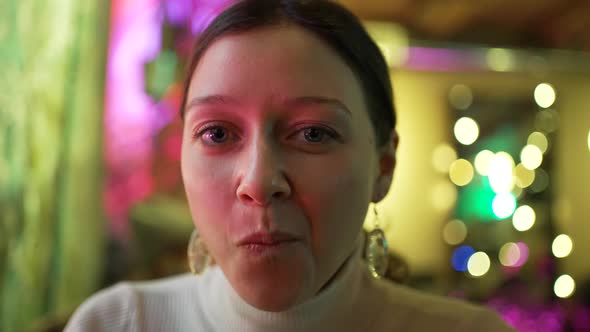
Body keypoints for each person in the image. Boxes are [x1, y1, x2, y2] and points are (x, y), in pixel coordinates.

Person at [65, 0, 515, 331]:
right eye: (217, 134)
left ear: (383, 166)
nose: (259, 182)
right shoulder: (117, 324)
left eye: (314, 134)